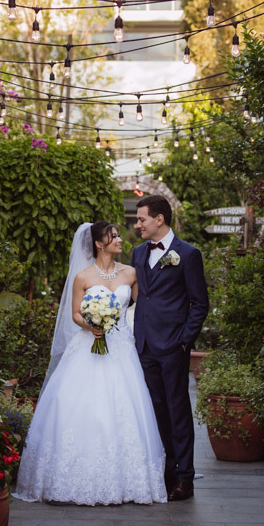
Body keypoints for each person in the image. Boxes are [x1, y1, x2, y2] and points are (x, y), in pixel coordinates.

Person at [14, 221, 169, 505]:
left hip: (121, 349)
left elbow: (144, 305)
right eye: (114, 236)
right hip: (89, 346)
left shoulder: (131, 273)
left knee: (125, 408)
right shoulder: (83, 277)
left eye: (119, 235)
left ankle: (129, 481)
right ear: (99, 243)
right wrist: (90, 325)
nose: (120, 239)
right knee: (80, 406)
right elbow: (75, 313)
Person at [131, 195, 209, 501]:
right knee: (155, 411)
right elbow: (140, 296)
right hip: (144, 345)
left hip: (174, 346)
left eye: (141, 219)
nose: (137, 225)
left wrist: (185, 341)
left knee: (178, 411)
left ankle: (184, 478)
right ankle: (164, 472)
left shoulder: (188, 254)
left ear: (159, 219)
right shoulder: (138, 253)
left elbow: (199, 303)